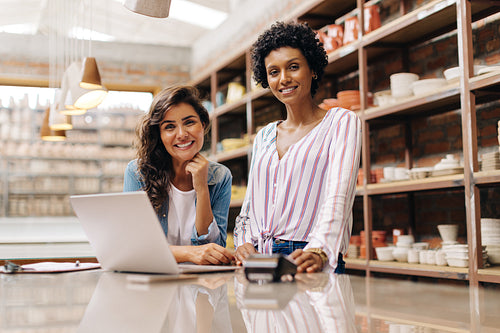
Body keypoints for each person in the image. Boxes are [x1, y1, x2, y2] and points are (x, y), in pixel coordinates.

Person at [233, 22, 362, 273]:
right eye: (273, 71)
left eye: (293, 67)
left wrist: (320, 249)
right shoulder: (264, 136)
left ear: (312, 69)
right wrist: (243, 242)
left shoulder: (341, 122)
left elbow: (339, 196)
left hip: (309, 256)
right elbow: (250, 205)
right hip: (261, 260)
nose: (284, 79)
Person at [124, 85, 234, 265]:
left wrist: (202, 189)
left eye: (189, 122)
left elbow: (213, 250)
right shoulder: (138, 173)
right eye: (169, 127)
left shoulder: (220, 176)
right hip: (155, 284)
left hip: (202, 286)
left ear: (203, 125)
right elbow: (134, 246)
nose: (182, 134)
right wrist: (189, 254)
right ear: (159, 135)